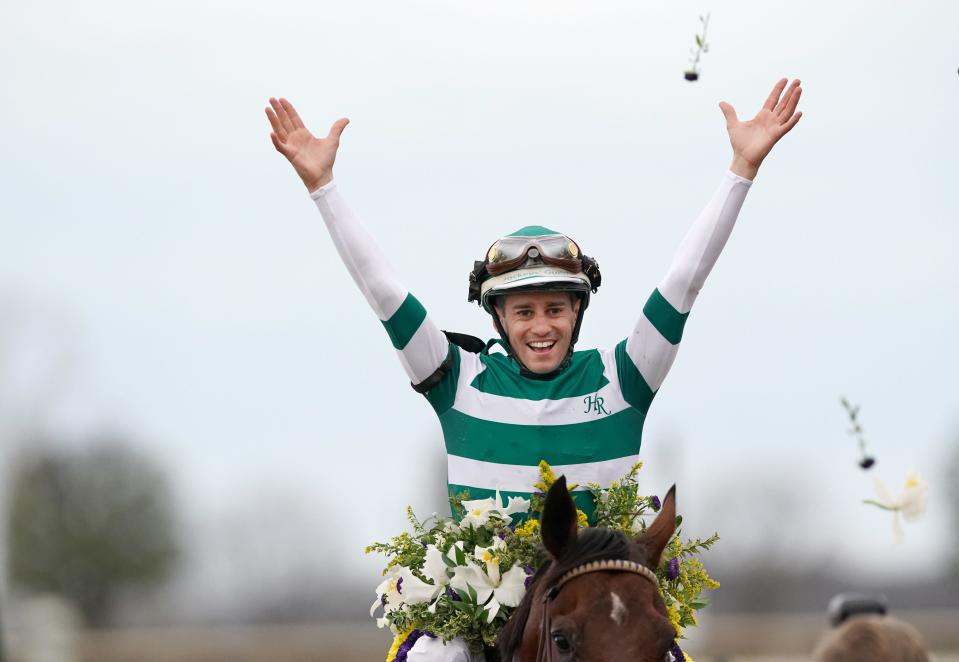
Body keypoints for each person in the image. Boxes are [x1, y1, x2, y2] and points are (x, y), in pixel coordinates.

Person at [266, 78, 802, 661]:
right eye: (523, 311)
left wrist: (740, 171)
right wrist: (323, 187)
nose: (540, 326)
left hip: (601, 603)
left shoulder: (625, 378)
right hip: (474, 616)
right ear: (499, 318)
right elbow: (382, 292)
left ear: (577, 311)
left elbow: (684, 281)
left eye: (555, 308)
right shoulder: (457, 377)